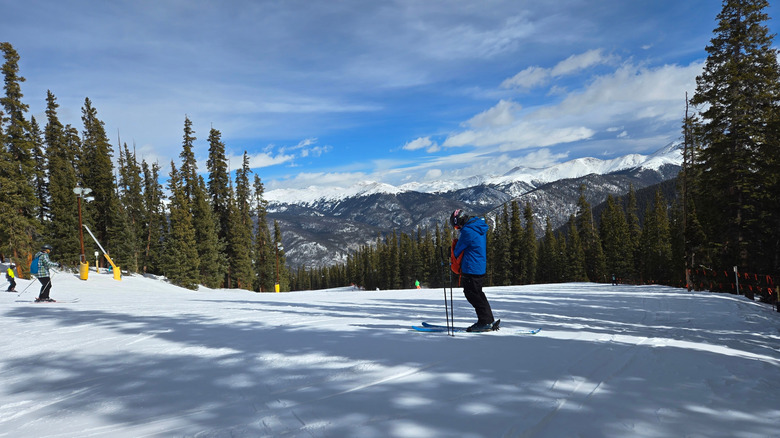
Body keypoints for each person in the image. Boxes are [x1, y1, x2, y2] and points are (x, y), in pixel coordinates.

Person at [450, 209, 495, 332]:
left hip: (471, 268)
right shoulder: (477, 226)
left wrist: (451, 250)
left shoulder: (468, 231)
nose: (458, 229)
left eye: (456, 227)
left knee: (472, 294)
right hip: (478, 266)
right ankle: (488, 320)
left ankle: (485, 322)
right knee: (477, 293)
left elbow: (457, 251)